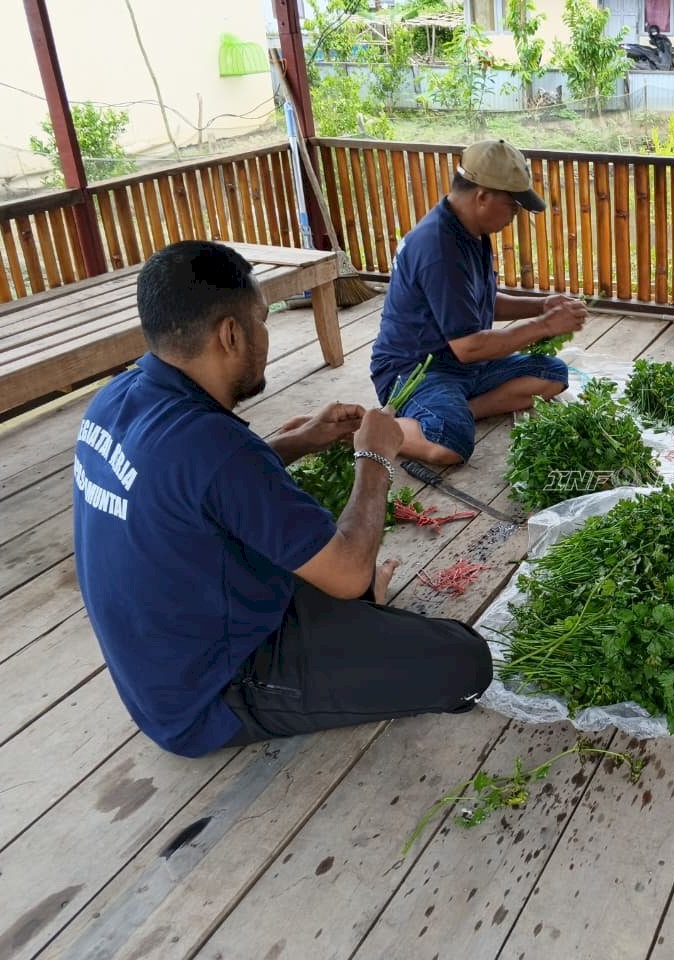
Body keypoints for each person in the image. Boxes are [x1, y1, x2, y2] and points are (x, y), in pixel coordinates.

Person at [72, 241, 492, 759]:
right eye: (261, 320)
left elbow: (195, 490)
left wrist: (299, 442)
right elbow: (348, 571)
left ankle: (353, 618)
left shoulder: (115, 399)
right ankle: (357, 622)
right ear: (230, 334)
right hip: (211, 695)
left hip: (166, 660)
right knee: (465, 662)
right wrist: (377, 457)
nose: (265, 335)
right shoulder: (215, 448)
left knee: (329, 573)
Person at [370, 138, 588, 466]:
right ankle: (370, 432)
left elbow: (485, 304)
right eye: (513, 206)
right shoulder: (439, 248)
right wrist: (544, 326)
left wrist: (543, 306)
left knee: (553, 373)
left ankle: (461, 409)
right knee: (451, 444)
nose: (515, 215)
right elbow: (469, 346)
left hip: (461, 367)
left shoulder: (471, 231)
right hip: (415, 370)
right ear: (482, 196)